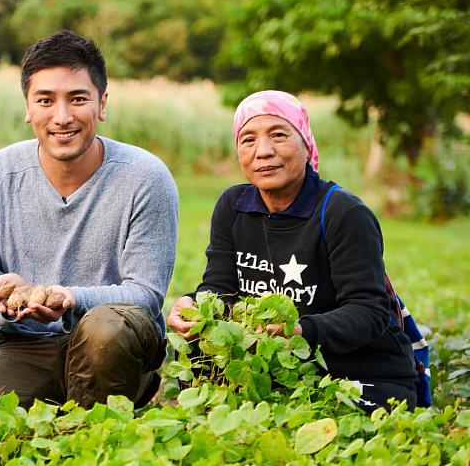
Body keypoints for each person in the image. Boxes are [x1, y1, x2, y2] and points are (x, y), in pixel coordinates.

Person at [0, 30, 179, 409]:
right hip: (25, 342)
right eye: (45, 100)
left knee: (103, 329)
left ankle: (101, 425)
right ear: (28, 107)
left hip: (116, 343)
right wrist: (1, 300)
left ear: (102, 104)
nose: (62, 117)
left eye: (78, 99)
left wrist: (69, 298)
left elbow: (145, 295)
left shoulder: (146, 177)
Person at [167, 90, 418, 411]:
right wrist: (193, 305)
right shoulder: (233, 206)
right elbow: (219, 289)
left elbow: (369, 313)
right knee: (197, 346)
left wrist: (301, 331)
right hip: (276, 364)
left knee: (332, 424)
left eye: (279, 135)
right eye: (248, 140)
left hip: (355, 368)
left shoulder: (342, 213)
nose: (263, 151)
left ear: (306, 143)